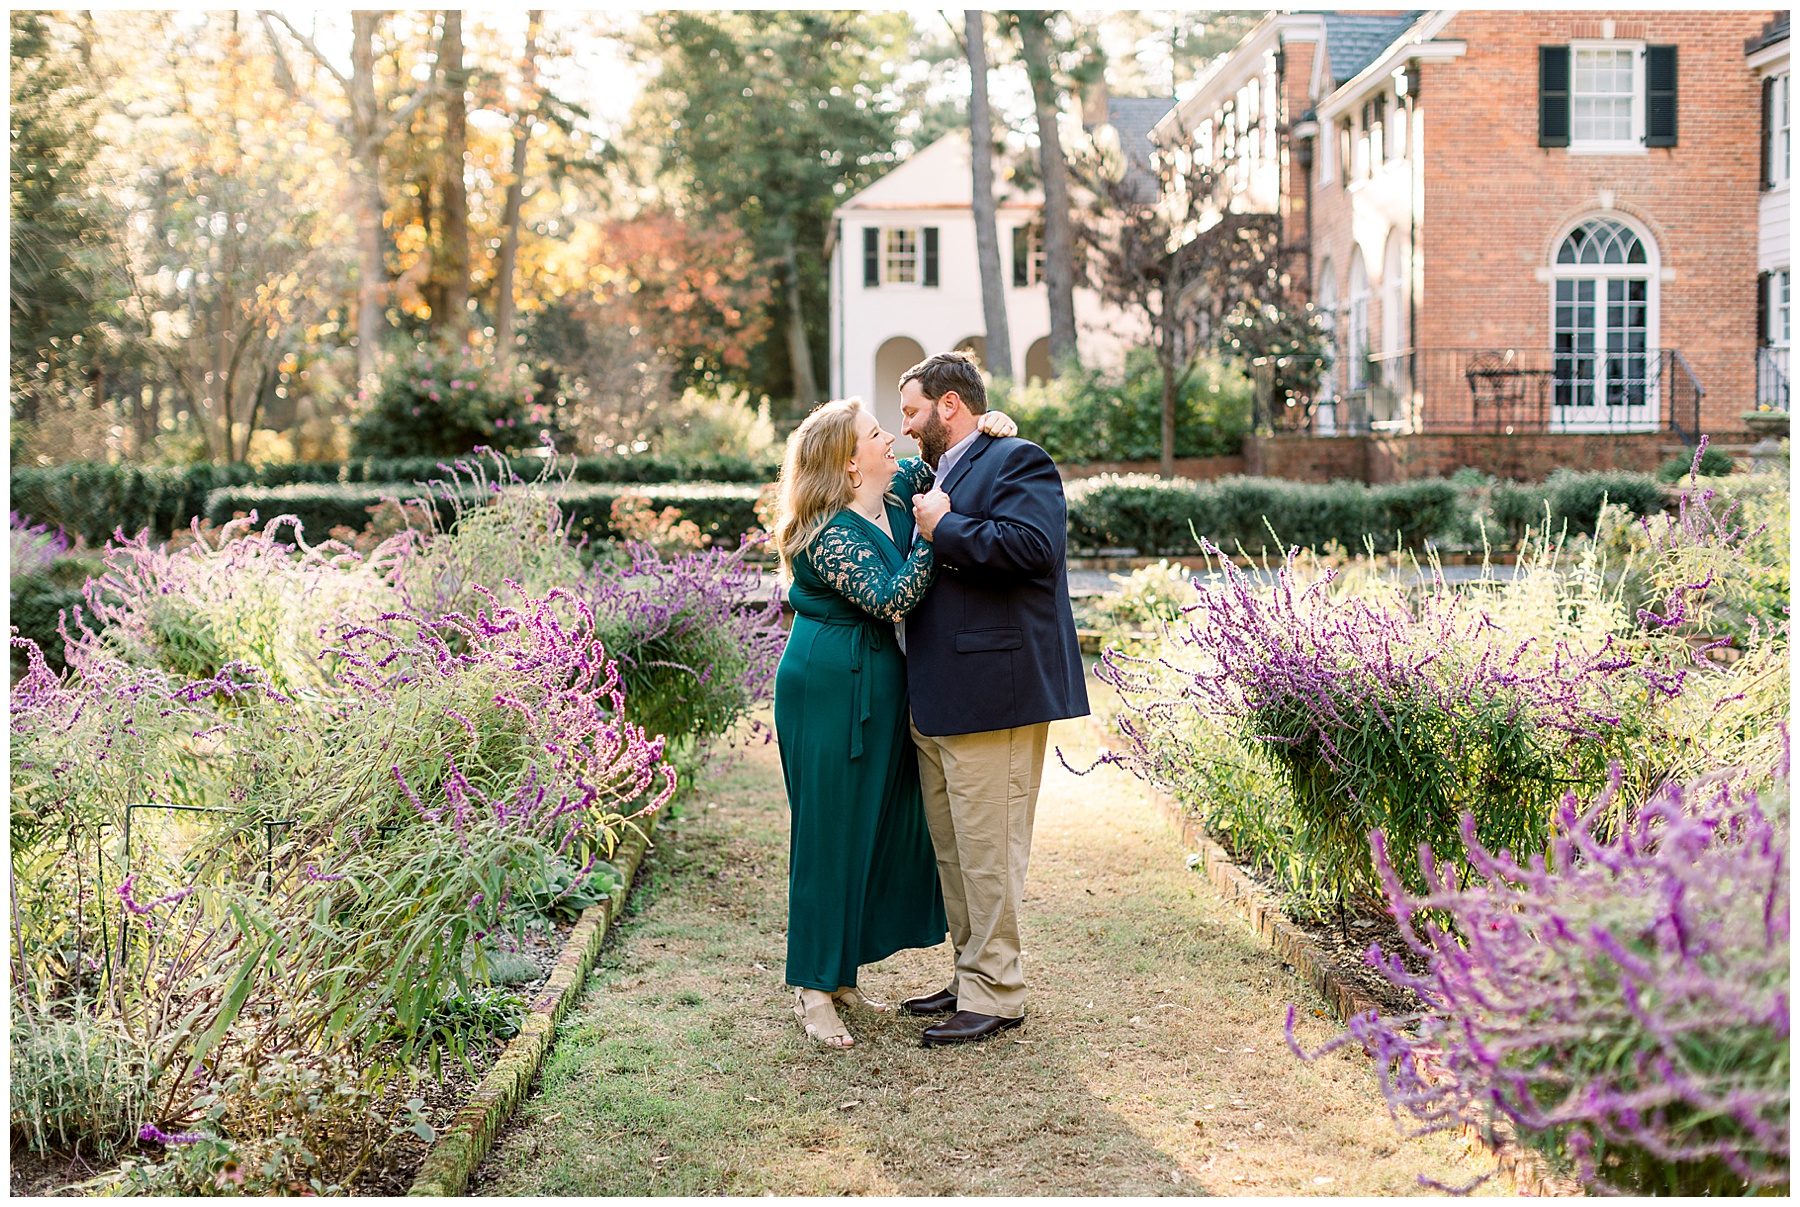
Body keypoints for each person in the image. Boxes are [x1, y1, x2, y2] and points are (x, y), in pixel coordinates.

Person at [770, 396, 1018, 1049]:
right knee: (827, 834)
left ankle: (841, 973)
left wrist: (989, 425)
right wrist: (936, 535)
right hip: (828, 685)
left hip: (883, 681)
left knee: (871, 828)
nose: (891, 438)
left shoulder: (900, 487)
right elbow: (891, 598)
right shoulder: (827, 533)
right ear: (850, 463)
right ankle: (813, 989)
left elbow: (944, 455)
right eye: (876, 433)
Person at [895, 351, 1089, 1047]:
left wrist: (944, 526)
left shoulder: (1018, 459)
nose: (905, 426)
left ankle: (998, 993)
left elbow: (1034, 548)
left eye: (913, 411)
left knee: (989, 852)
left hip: (993, 693)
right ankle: (970, 976)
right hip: (939, 693)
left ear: (949, 405)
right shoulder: (936, 472)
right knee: (956, 853)